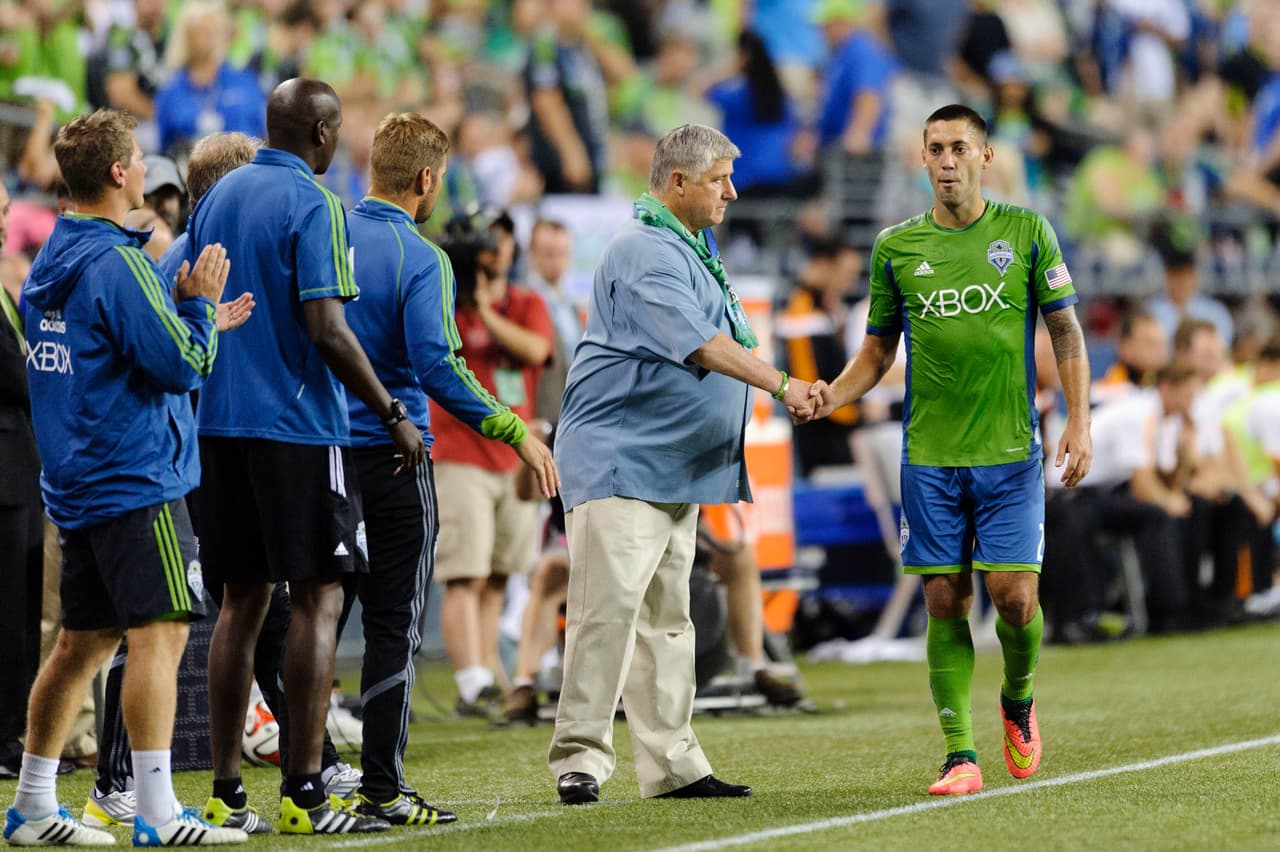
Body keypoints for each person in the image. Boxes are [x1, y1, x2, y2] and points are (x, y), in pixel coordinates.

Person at [808, 105, 1092, 796]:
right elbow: (876, 351)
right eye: (934, 148)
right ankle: (959, 753)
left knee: (1016, 598)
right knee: (945, 598)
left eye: (959, 147)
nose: (945, 160)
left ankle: (1018, 700)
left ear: (985, 156)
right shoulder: (896, 248)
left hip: (1009, 449)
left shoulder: (1026, 233)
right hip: (930, 455)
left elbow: (1067, 333)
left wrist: (1079, 422)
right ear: (922, 157)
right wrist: (832, 394)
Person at [548, 124, 815, 805]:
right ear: (676, 184)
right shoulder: (645, 249)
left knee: (669, 619)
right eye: (719, 178)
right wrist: (782, 384)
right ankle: (579, 758)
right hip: (621, 457)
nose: (732, 190)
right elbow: (699, 344)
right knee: (605, 613)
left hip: (670, 463)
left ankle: (672, 765)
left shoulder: (688, 247)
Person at [187, 78, 423, 836]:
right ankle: (305, 791)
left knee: (242, 602)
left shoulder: (217, 198)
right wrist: (391, 411)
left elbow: (185, 294)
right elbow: (326, 326)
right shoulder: (314, 204)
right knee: (320, 596)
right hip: (296, 427)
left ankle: (226, 792)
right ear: (321, 134)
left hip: (219, 425)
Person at [4, 108, 246, 846]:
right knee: (162, 635)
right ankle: (155, 812)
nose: (144, 167)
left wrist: (174, 312)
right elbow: (179, 364)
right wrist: (199, 312)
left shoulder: (55, 254)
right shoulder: (118, 263)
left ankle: (34, 806)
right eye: (138, 158)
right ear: (117, 173)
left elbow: (104, 346)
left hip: (79, 481)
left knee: (80, 644)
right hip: (136, 479)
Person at [343, 112, 558, 825]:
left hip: (316, 454)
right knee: (393, 623)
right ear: (427, 178)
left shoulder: (327, 235)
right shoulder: (421, 256)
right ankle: (381, 787)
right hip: (395, 456)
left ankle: (306, 783)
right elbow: (438, 367)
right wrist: (515, 430)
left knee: (312, 615)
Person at [429, 218, 554, 716]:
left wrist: (485, 310)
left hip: (513, 455)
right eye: (483, 245)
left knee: (500, 574)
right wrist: (470, 304)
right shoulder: (443, 299)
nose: (491, 253)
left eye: (498, 241)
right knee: (466, 573)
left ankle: (490, 674)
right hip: (460, 451)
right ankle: (470, 681)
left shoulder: (524, 303)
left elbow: (536, 351)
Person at [0, 179, 44, 783]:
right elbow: (17, 376)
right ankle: (6, 740)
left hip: (20, 474)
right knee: (9, 615)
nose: (5, 220)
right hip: (5, 478)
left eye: (7, 209)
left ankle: (12, 732)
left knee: (20, 612)